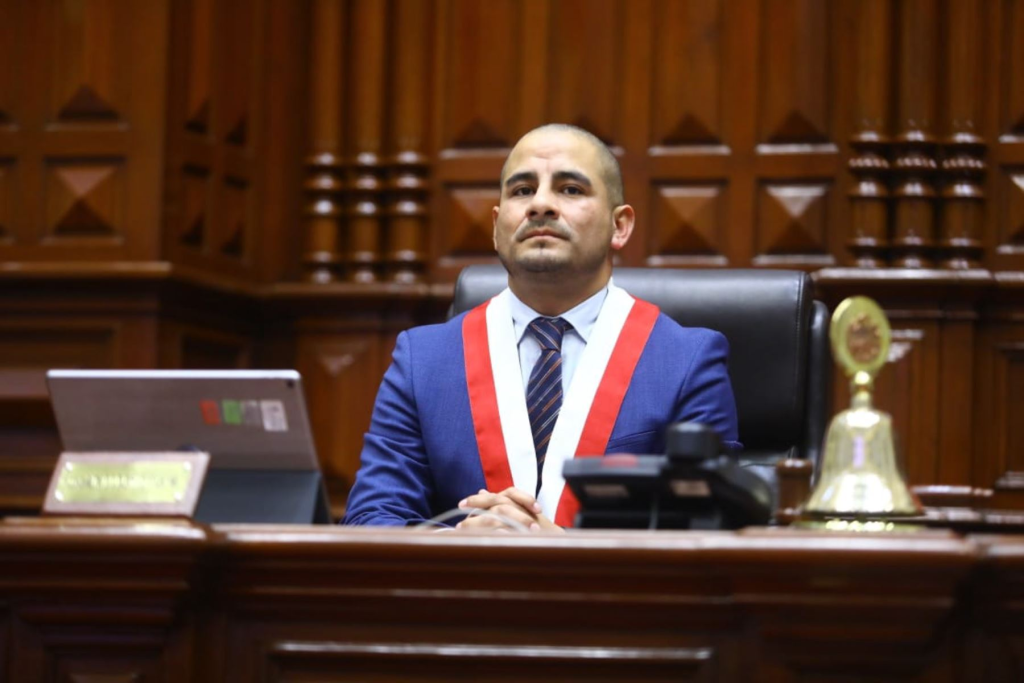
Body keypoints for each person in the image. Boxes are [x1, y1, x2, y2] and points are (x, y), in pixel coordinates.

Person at [342, 124, 740, 531]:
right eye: (522, 190)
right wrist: (457, 542)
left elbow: (708, 533)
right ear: (497, 226)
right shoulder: (422, 360)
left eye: (570, 189)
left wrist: (565, 550)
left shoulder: (686, 361)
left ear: (619, 226)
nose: (541, 204)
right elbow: (369, 520)